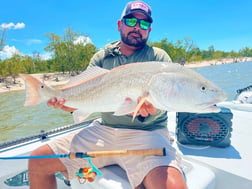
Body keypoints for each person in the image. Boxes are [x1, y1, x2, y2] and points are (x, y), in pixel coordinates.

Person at [28, 1, 187, 189]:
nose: (137, 27)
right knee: (37, 161)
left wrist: (152, 110)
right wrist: (61, 101)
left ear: (149, 30)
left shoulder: (158, 58)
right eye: (131, 21)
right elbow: (81, 99)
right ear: (120, 24)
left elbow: (164, 102)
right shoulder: (101, 58)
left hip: (148, 134)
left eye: (144, 24)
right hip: (104, 131)